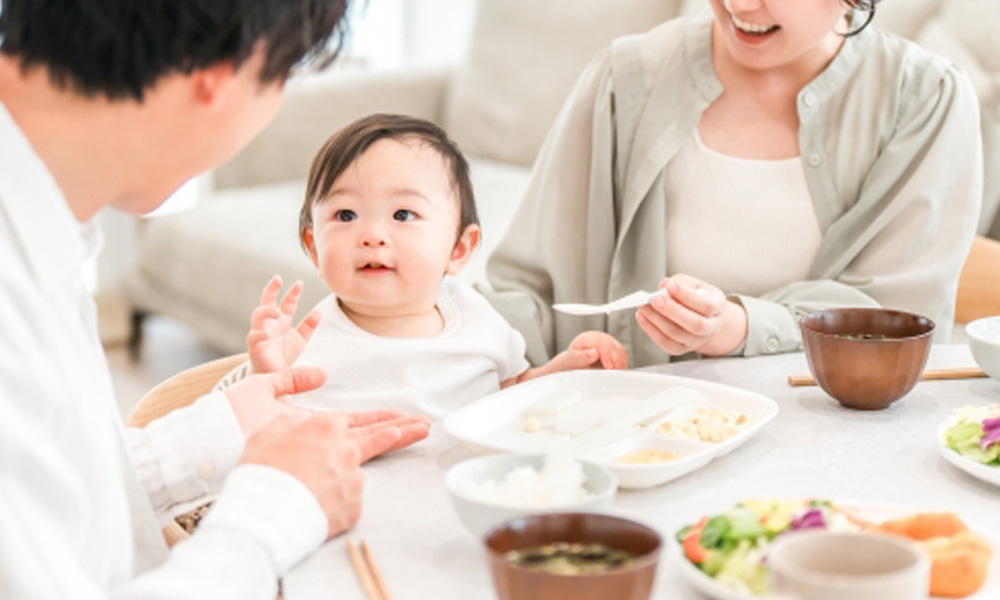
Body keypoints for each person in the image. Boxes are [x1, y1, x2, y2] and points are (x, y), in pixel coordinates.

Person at [0, 1, 430, 598]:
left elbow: (46, 497)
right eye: (280, 79)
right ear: (223, 77)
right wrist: (278, 509)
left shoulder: (40, 216)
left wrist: (213, 434)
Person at [483, 0, 984, 368]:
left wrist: (740, 327)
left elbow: (897, 319)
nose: (740, 6)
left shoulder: (925, 102)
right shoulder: (628, 79)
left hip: (833, 440)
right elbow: (531, 293)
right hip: (638, 441)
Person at [236, 113, 628, 417]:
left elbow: (509, 392)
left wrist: (566, 369)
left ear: (458, 249)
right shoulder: (304, 345)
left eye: (403, 215)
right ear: (313, 248)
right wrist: (267, 375)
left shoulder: (477, 317)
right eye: (346, 215)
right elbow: (256, 430)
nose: (372, 235)